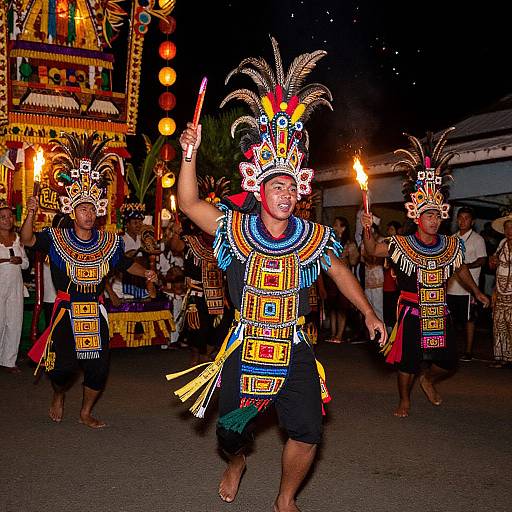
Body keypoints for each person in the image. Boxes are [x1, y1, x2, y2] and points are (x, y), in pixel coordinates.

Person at [166, 38, 386, 512]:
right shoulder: (234, 228)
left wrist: (368, 312)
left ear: (299, 189)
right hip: (245, 343)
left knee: (308, 431)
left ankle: (284, 498)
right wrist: (190, 153)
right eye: (276, 185)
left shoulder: (312, 236)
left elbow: (340, 272)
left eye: (291, 185)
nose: (285, 193)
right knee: (229, 431)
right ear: (260, 189)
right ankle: (237, 461)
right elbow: (186, 204)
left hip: (293, 347)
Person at [21, 133, 156, 428]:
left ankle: (85, 412)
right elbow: (27, 240)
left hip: (95, 309)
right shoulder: (56, 238)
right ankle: (58, 395)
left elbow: (124, 264)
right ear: (72, 211)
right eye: (83, 208)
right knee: (62, 368)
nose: (88, 213)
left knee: (98, 367)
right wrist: (30, 214)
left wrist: (144, 271)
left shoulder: (108, 242)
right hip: (66, 311)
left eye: (93, 208)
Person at [362, 129, 489, 418]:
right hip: (411, 311)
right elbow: (371, 250)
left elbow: (461, 269)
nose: (433, 220)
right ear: (417, 216)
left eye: (437, 215)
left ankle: (429, 379)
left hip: (439, 310)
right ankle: (404, 400)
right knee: (408, 362)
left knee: (448, 361)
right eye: (428, 215)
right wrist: (368, 228)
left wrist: (477, 292)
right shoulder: (401, 244)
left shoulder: (450, 245)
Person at [446, 207, 487, 361]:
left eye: (466, 218)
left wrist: (464, 268)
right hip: (452, 287)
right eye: (460, 218)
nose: (463, 221)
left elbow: (482, 259)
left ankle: (468, 351)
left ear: (472, 221)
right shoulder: (452, 238)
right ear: (457, 220)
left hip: (469, 289)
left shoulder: (478, 239)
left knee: (469, 320)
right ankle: (450, 349)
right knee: (450, 321)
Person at [0, 202, 29, 373]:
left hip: (15, 286)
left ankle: (9, 361)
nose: (7, 220)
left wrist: (19, 260)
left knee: (14, 322)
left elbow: (25, 264)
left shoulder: (18, 239)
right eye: (3, 217)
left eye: (9, 216)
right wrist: (4, 261)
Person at [324, 217, 359, 343]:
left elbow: (354, 261)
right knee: (332, 306)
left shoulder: (349, 243)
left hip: (343, 279)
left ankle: (339, 335)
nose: (333, 227)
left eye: (336, 225)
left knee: (342, 307)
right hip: (331, 279)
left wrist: (346, 256)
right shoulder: (330, 242)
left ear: (343, 228)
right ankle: (333, 333)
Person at [489, 212, 512, 368]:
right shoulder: (502, 243)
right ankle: (502, 358)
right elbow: (492, 266)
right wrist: (493, 261)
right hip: (500, 292)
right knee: (499, 326)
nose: (509, 231)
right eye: (507, 228)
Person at [383, 221, 401, 333]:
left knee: (394, 305)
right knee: (388, 305)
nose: (389, 231)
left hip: (396, 282)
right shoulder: (386, 243)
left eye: (391, 229)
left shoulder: (401, 245)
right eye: (388, 229)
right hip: (387, 280)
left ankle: (396, 329)